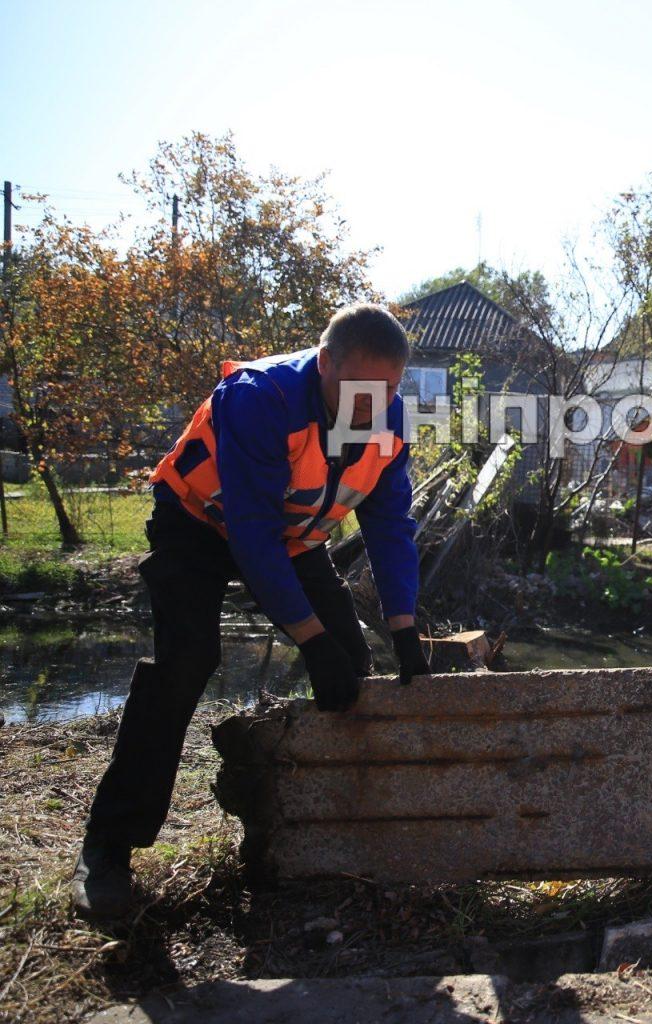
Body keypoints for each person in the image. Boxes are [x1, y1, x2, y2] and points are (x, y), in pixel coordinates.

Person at [70, 304, 432, 920]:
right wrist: (308, 640)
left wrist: (404, 626)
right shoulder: (257, 397)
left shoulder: (392, 420)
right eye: (359, 388)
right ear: (325, 364)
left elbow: (391, 525)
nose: (372, 403)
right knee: (187, 662)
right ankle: (107, 845)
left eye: (389, 390)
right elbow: (252, 538)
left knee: (354, 665)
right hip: (199, 524)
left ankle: (334, 823)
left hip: (291, 538)